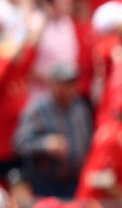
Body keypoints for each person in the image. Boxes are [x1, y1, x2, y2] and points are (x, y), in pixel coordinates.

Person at [13, 63, 93, 198]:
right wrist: (45, 144)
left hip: (74, 181)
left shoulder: (80, 108)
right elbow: (20, 143)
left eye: (73, 83)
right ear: (53, 84)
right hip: (45, 184)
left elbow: (88, 139)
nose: (70, 88)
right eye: (65, 84)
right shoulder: (38, 109)